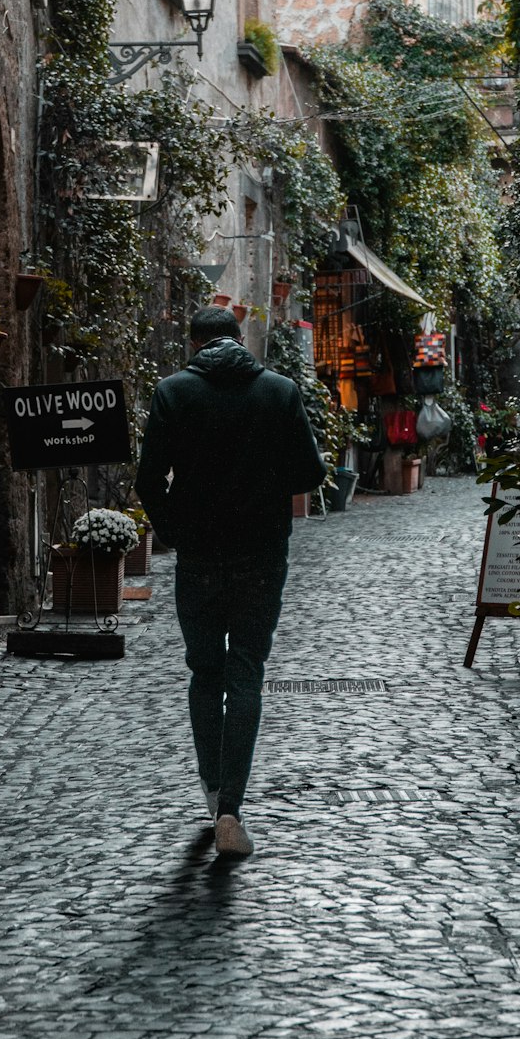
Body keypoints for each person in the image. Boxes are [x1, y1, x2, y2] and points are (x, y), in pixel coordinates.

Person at [135, 306, 327, 856]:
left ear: (193, 344)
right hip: (262, 555)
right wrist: (266, 487)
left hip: (199, 556)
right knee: (246, 674)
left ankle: (212, 786)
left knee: (204, 671)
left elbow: (149, 479)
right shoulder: (279, 391)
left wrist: (174, 529)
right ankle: (231, 810)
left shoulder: (173, 393)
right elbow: (312, 472)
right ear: (240, 340)